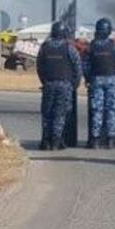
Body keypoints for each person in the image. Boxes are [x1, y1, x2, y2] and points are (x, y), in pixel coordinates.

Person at [37, 21, 82, 151]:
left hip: (49, 84)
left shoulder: (44, 47)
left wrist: (44, 82)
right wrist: (74, 85)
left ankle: (46, 141)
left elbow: (39, 67)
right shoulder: (70, 48)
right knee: (60, 114)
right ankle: (56, 142)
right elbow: (78, 69)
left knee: (47, 113)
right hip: (64, 86)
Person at [84, 18, 115, 149]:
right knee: (110, 111)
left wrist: (87, 79)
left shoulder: (91, 46)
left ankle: (95, 140)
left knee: (97, 110)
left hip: (96, 79)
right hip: (112, 80)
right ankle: (110, 139)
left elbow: (85, 66)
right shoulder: (114, 45)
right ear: (109, 30)